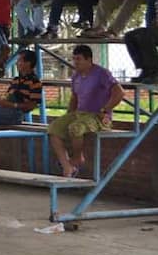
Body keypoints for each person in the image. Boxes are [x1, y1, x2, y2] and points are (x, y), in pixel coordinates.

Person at [48, 45, 125, 177]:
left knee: (76, 128)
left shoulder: (102, 73)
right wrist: (68, 115)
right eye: (74, 59)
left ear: (89, 59)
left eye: (79, 59)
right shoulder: (75, 76)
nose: (75, 62)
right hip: (79, 113)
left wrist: (106, 109)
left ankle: (78, 157)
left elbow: (119, 92)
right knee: (53, 128)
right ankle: (66, 165)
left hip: (97, 117)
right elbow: (74, 98)